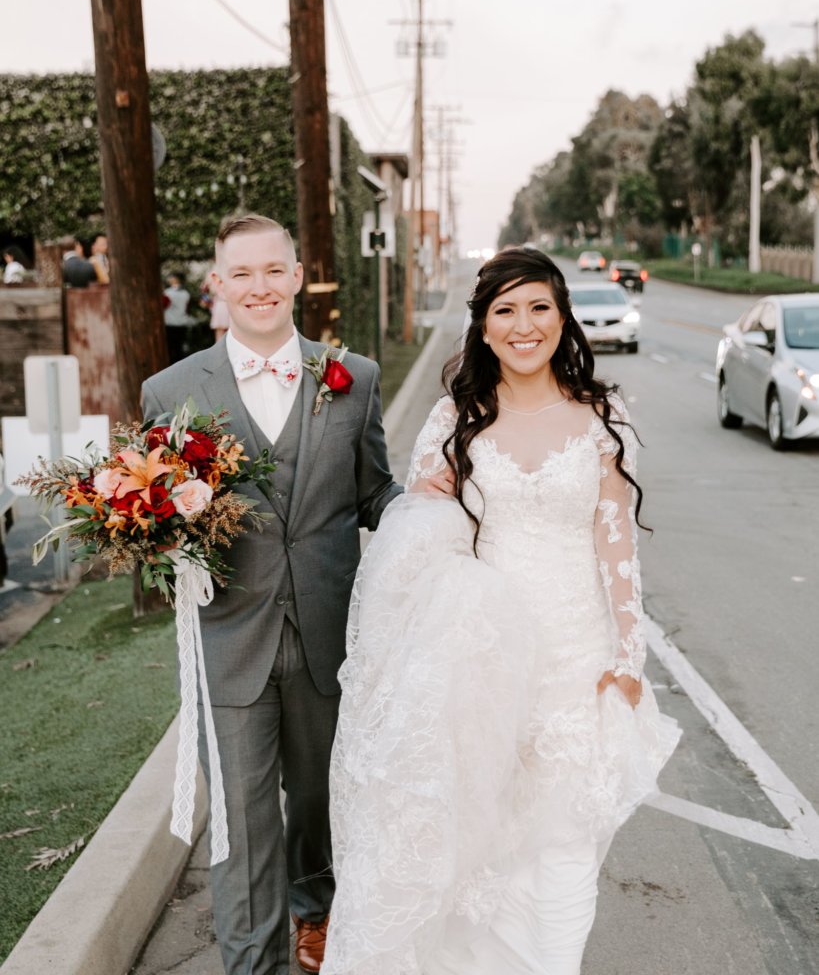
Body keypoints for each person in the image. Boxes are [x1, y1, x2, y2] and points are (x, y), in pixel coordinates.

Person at [323, 247, 681, 975]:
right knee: (479, 854)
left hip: (575, 666)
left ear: (561, 317)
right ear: (483, 329)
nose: (524, 326)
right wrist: (426, 498)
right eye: (505, 311)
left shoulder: (600, 419)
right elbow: (414, 547)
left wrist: (626, 655)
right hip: (480, 667)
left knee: (562, 852)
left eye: (538, 307)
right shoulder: (454, 421)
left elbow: (616, 551)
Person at [141, 213, 423, 975]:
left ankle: (318, 909)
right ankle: (250, 964)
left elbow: (374, 495)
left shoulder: (352, 378)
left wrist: (443, 510)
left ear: (297, 276)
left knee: (322, 801)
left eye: (274, 271)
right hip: (230, 641)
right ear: (217, 287)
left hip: (330, 637)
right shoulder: (169, 392)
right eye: (242, 274)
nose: (259, 287)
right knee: (241, 826)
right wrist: (151, 540)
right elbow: (153, 513)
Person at [162, 271, 191, 363]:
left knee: (170, 348)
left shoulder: (167, 293)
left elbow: (164, 305)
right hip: (182, 322)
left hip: (170, 323)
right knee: (179, 347)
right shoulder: (186, 293)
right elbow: (187, 309)